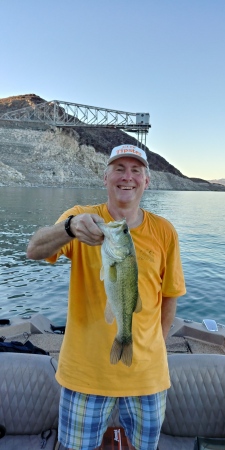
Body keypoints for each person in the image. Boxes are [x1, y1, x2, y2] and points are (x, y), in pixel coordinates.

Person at [27, 143, 186, 450]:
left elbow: (170, 297)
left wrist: (157, 348)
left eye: (136, 170)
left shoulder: (164, 231)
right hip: (83, 375)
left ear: (147, 181)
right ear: (105, 178)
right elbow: (34, 249)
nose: (127, 177)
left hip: (148, 376)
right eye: (119, 168)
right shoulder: (80, 217)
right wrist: (70, 230)